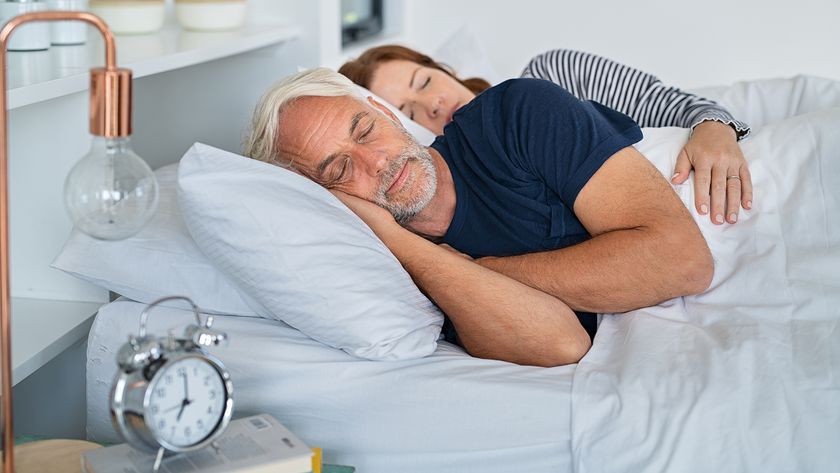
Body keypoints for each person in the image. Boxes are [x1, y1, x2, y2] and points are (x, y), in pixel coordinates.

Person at [244, 68, 713, 367]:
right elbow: (562, 345)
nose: (376, 163)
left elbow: (685, 260)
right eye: (340, 169)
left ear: (385, 113)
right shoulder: (389, 272)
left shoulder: (514, 113)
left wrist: (479, 271)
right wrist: (404, 245)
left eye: (365, 131)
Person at [339, 45, 753, 226]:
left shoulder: (552, 73)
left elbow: (678, 105)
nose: (431, 104)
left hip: (735, 182)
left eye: (425, 81)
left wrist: (715, 129)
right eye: (409, 113)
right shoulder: (474, 207)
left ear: (445, 70)